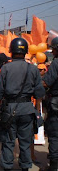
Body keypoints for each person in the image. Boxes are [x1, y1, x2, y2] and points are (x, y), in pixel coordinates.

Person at [0, 38, 45, 171]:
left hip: (9, 110)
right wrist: (37, 111)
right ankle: (25, 167)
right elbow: (39, 93)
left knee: (8, 143)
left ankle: (7, 167)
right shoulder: (33, 69)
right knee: (25, 143)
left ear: (11, 51)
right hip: (27, 109)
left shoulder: (5, 68)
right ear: (26, 51)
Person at [43, 37, 58, 170]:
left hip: (56, 104)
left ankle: (53, 166)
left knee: (54, 135)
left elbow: (46, 82)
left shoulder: (56, 63)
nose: (52, 52)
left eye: (53, 49)